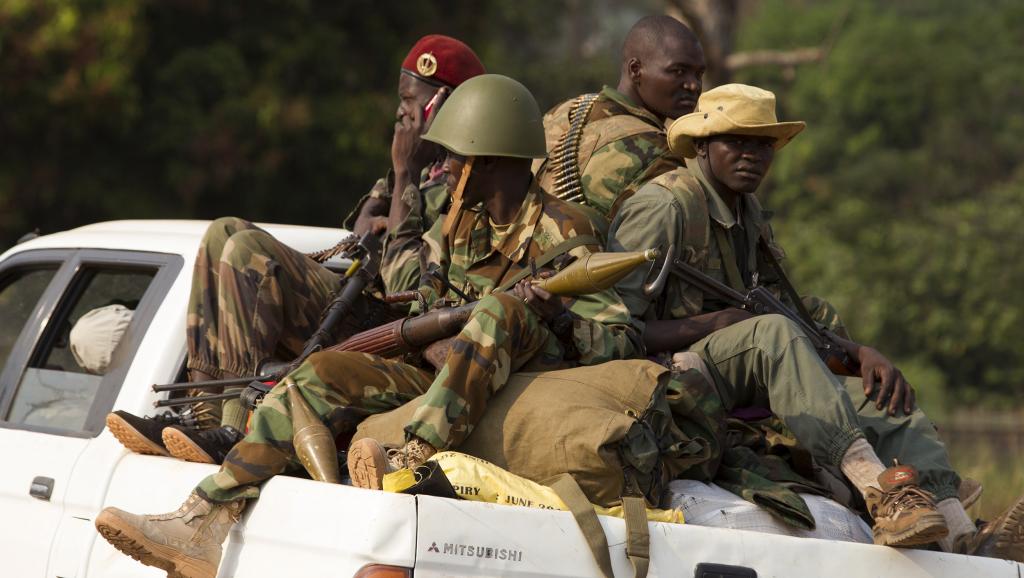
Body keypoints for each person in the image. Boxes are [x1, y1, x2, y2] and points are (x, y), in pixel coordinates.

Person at [94, 73, 641, 578]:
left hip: (514, 383)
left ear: (489, 160)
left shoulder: (565, 232)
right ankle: (204, 519)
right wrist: (429, 335)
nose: (444, 168)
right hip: (440, 375)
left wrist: (553, 318)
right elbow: (431, 294)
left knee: (504, 310)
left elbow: (616, 338)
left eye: (454, 157)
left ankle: (412, 458)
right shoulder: (461, 219)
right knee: (318, 376)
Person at [607, 83, 1024, 559]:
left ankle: (961, 536)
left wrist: (858, 353)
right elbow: (610, 331)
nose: (752, 156)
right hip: (670, 374)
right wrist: (714, 323)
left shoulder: (749, 214)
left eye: (763, 144)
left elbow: (783, 306)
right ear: (703, 146)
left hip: (747, 365)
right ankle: (880, 494)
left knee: (881, 396)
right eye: (737, 142)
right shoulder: (665, 207)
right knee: (772, 333)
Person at [105, 34, 485, 465]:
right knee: (222, 231)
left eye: (412, 100)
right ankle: (204, 414)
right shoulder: (422, 168)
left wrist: (405, 175)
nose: (401, 112)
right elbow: (362, 234)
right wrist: (397, 197)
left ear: (444, 104)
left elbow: (405, 285)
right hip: (358, 309)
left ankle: (230, 429)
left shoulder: (459, 178)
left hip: (397, 334)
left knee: (249, 251)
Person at [534, 15, 705, 222]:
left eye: (699, 74)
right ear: (636, 70)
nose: (694, 85)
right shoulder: (657, 152)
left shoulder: (564, 111)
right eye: (678, 71)